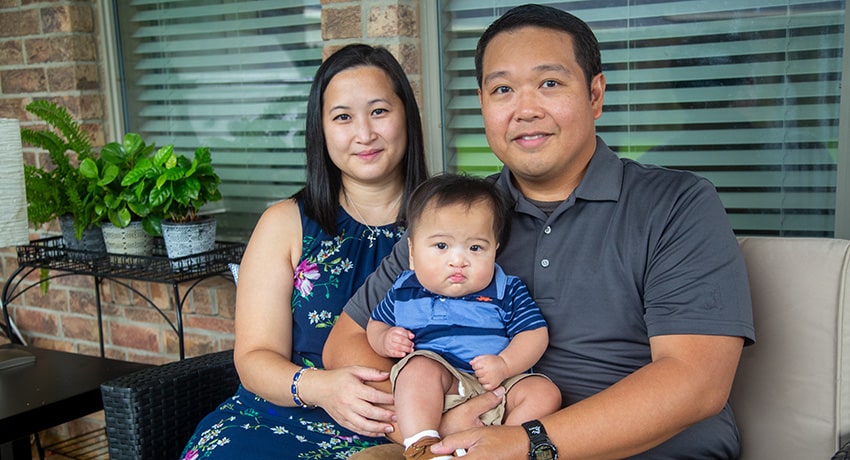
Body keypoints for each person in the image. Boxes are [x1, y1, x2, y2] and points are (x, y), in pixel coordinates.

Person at [326, 4, 755, 459]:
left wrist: (526, 443)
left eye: (550, 83)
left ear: (595, 95)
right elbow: (346, 342)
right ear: (483, 105)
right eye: (503, 89)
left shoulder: (675, 203)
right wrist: (429, 426)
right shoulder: (457, 214)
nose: (525, 109)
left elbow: (697, 381)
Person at [179, 43, 428, 459]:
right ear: (322, 130)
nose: (364, 133)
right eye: (343, 117)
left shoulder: (451, 224)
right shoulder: (285, 223)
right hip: (282, 416)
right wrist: (322, 388)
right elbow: (255, 357)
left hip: (402, 430)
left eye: (379, 111)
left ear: (406, 116)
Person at [366, 174, 561, 459]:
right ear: (412, 252)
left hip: (499, 385)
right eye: (441, 246)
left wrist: (505, 365)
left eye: (475, 247)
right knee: (417, 368)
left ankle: (504, 445)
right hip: (441, 389)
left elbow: (534, 334)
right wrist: (385, 339)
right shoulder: (404, 289)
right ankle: (424, 446)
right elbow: (375, 324)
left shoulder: (504, 289)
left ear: (495, 250)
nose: (458, 260)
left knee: (545, 392)